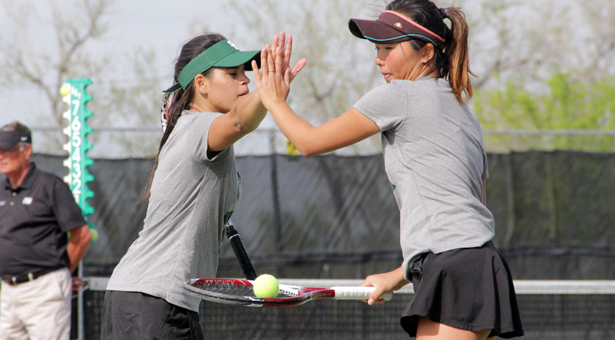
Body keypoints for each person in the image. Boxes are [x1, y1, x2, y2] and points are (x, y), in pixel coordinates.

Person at [255, 1, 524, 339]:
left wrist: (274, 100)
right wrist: (398, 274)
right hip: (476, 262)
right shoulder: (462, 109)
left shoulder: (398, 96)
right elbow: (468, 211)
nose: (378, 59)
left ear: (426, 52)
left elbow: (308, 142)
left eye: (388, 48)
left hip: (454, 266)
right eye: (377, 48)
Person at [100, 32, 305, 339]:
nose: (245, 81)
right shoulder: (199, 127)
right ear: (201, 84)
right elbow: (239, 121)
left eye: (246, 74)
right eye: (232, 73)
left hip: (133, 297)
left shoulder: (194, 130)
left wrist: (266, 95)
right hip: (157, 301)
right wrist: (267, 94)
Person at [0, 121, 92, 340]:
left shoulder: (50, 185)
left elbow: (82, 236)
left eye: (7, 150)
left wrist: (61, 274)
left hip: (44, 291)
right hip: (8, 292)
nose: (1, 156)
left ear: (27, 151)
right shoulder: (1, 191)